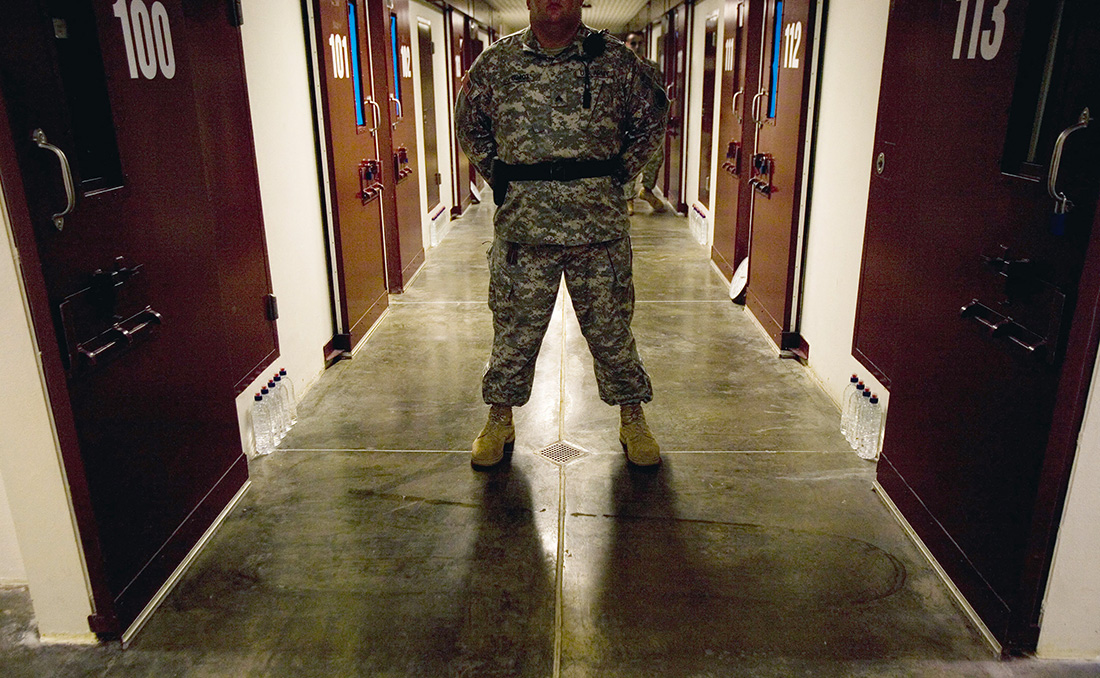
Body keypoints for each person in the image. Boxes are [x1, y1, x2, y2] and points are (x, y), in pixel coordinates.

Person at [455, 0, 669, 468]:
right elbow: (469, 126)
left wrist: (616, 177)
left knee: (612, 330)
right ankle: (500, 418)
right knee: (514, 330)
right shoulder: (496, 62)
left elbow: (652, 120)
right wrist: (507, 180)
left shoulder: (616, 60)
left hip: (598, 228)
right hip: (525, 228)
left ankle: (632, 417)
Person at [624, 32, 668, 214]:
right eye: (633, 43)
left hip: (648, 120)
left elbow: (659, 92)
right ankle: (628, 199)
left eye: (640, 43)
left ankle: (647, 190)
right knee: (629, 158)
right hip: (626, 120)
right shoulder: (619, 66)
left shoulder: (653, 67)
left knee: (656, 156)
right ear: (626, 44)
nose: (637, 47)